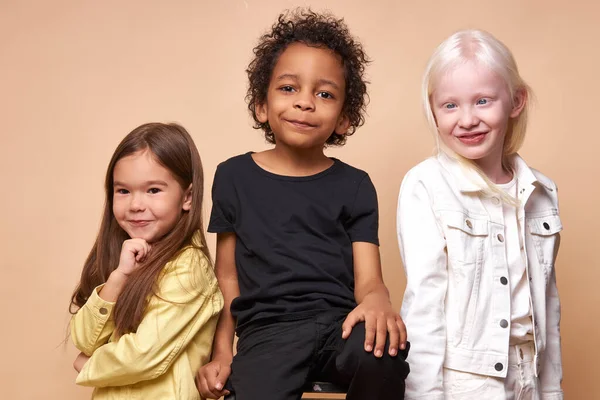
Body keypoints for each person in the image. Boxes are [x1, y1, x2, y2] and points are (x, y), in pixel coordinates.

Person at [196, 8, 409, 400]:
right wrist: (222, 351)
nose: (305, 103)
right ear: (262, 105)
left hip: (340, 327)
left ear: (344, 118)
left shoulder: (356, 185)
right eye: (289, 88)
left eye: (324, 94)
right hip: (268, 333)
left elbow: (368, 279)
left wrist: (379, 300)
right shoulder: (234, 177)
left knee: (382, 354)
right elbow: (226, 278)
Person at [398, 29, 563, 399]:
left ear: (516, 101)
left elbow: (548, 309)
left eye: (483, 101)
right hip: (465, 382)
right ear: (433, 109)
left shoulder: (542, 192)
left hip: (530, 377)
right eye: (450, 105)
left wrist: (552, 392)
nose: (467, 119)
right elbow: (423, 308)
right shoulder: (426, 185)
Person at [69, 122, 223, 399]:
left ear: (187, 196)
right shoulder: (127, 260)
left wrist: (89, 366)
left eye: (153, 190)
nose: (136, 205)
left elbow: (143, 353)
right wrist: (118, 278)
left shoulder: (189, 267)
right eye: (123, 191)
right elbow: (84, 339)